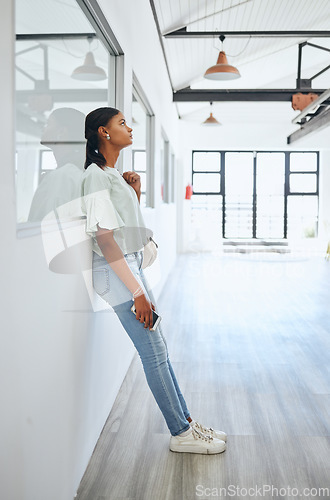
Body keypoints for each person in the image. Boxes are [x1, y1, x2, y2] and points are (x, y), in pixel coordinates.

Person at [81, 107, 227, 454]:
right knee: (152, 353)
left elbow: (125, 227)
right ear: (103, 132)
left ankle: (188, 424)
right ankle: (180, 433)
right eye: (122, 123)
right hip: (116, 273)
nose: (129, 128)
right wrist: (137, 292)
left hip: (129, 266)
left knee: (159, 352)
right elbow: (104, 239)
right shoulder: (95, 176)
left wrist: (136, 192)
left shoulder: (112, 175)